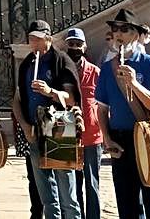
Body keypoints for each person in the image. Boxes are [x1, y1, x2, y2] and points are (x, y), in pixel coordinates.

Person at [94, 7, 150, 219]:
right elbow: (101, 108)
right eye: (115, 29)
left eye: (124, 29)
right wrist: (107, 138)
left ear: (135, 34)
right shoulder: (108, 68)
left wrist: (134, 84)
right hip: (122, 140)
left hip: (148, 138)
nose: (118, 34)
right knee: (127, 206)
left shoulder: (149, 64)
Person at [12, 19, 82, 219]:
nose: (33, 43)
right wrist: (24, 126)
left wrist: (50, 91)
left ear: (48, 38)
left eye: (37, 39)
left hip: (58, 125)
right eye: (31, 39)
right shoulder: (27, 63)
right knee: (46, 193)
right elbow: (17, 99)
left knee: (66, 192)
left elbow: (72, 99)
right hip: (34, 128)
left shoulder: (61, 61)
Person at [64, 29, 101, 219]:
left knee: (92, 183)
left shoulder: (95, 72)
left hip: (92, 136)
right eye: (71, 44)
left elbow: (104, 104)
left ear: (84, 46)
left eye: (78, 44)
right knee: (72, 184)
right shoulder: (62, 72)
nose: (75, 48)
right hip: (68, 134)